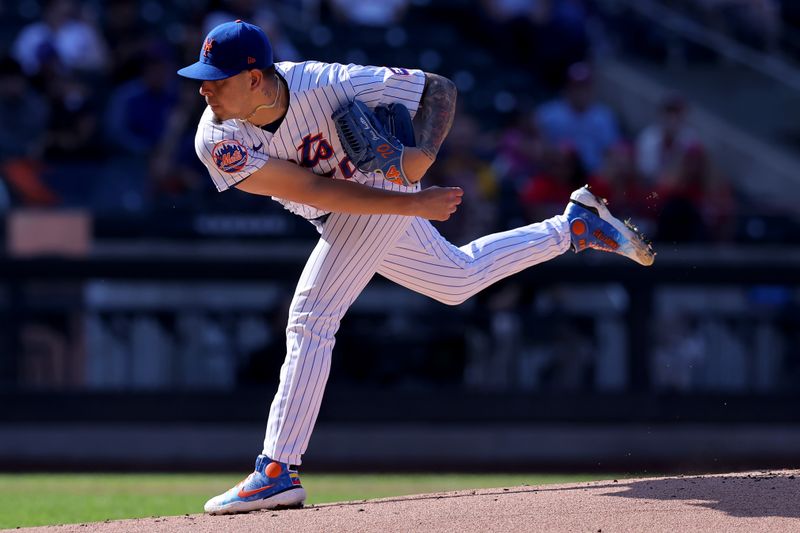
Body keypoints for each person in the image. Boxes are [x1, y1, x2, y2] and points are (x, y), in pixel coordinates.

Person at [178, 20, 654, 515]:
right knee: (457, 279)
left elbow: (438, 89)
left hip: (384, 187)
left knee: (311, 316)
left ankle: (277, 469)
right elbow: (315, 191)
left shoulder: (328, 83)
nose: (206, 89)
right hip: (354, 205)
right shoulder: (216, 139)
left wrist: (419, 161)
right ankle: (571, 227)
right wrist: (411, 204)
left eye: (219, 79)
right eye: (204, 78)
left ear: (256, 78)